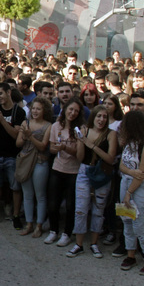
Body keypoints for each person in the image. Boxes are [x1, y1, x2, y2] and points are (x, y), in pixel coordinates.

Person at [66, 105, 117, 257]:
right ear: (93, 117)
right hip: (84, 171)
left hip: (102, 174)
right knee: (81, 209)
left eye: (104, 117)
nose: (101, 120)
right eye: (98, 116)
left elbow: (110, 158)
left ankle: (94, 243)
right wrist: (81, 141)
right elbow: (80, 158)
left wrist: (92, 145)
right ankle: (79, 244)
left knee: (98, 210)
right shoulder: (85, 131)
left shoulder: (111, 134)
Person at [116, 110, 144, 274]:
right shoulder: (129, 143)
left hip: (141, 187)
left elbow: (142, 173)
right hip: (126, 181)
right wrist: (131, 173)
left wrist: (129, 192)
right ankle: (131, 255)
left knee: (140, 224)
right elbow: (121, 166)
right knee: (127, 221)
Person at [44, 97, 86, 247]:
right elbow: (52, 147)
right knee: (53, 202)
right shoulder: (56, 126)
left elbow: (80, 154)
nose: (72, 113)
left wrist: (65, 148)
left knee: (70, 205)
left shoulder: (80, 129)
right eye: (70, 109)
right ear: (65, 109)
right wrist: (57, 148)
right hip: (57, 168)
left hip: (74, 171)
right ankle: (53, 230)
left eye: (76, 110)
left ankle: (67, 233)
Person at [0, 82, 25, 227]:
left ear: (9, 93)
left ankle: (15, 216)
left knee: (15, 188)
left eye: (0, 93)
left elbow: (16, 135)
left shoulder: (19, 112)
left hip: (12, 156)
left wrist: (2, 121)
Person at [16, 96, 53, 237]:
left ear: (44, 110)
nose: (35, 111)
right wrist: (24, 137)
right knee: (27, 194)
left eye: (39, 108)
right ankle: (29, 223)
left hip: (40, 162)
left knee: (40, 195)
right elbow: (18, 144)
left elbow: (43, 146)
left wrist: (30, 136)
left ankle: (39, 225)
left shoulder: (48, 126)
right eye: (33, 109)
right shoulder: (25, 123)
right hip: (25, 161)